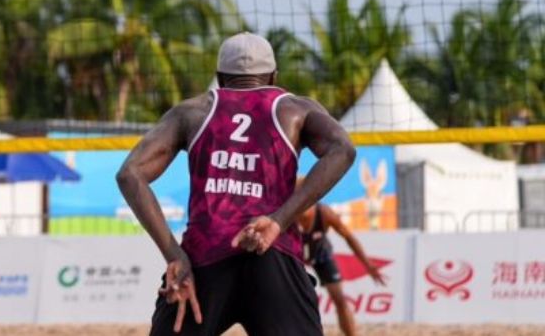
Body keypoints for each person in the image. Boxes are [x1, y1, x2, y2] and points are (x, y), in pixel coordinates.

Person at [116, 32, 356, 335]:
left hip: (205, 255)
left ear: (219, 77)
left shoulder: (192, 111)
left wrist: (174, 256)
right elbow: (343, 150)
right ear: (273, 76)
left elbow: (129, 174)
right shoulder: (295, 108)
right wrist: (278, 220)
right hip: (273, 252)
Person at [297, 196, 386, 336]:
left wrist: (367, 264)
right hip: (296, 257)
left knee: (340, 299)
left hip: (321, 254)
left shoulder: (325, 213)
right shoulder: (289, 214)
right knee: (295, 300)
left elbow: (349, 237)